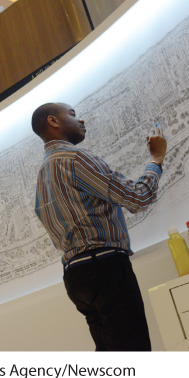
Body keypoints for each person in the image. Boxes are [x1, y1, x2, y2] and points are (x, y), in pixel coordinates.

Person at [32, 102, 167, 351]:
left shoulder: (42, 174)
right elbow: (137, 198)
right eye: (73, 115)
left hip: (75, 276)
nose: (81, 121)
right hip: (104, 268)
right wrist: (156, 158)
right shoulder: (75, 158)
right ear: (53, 121)